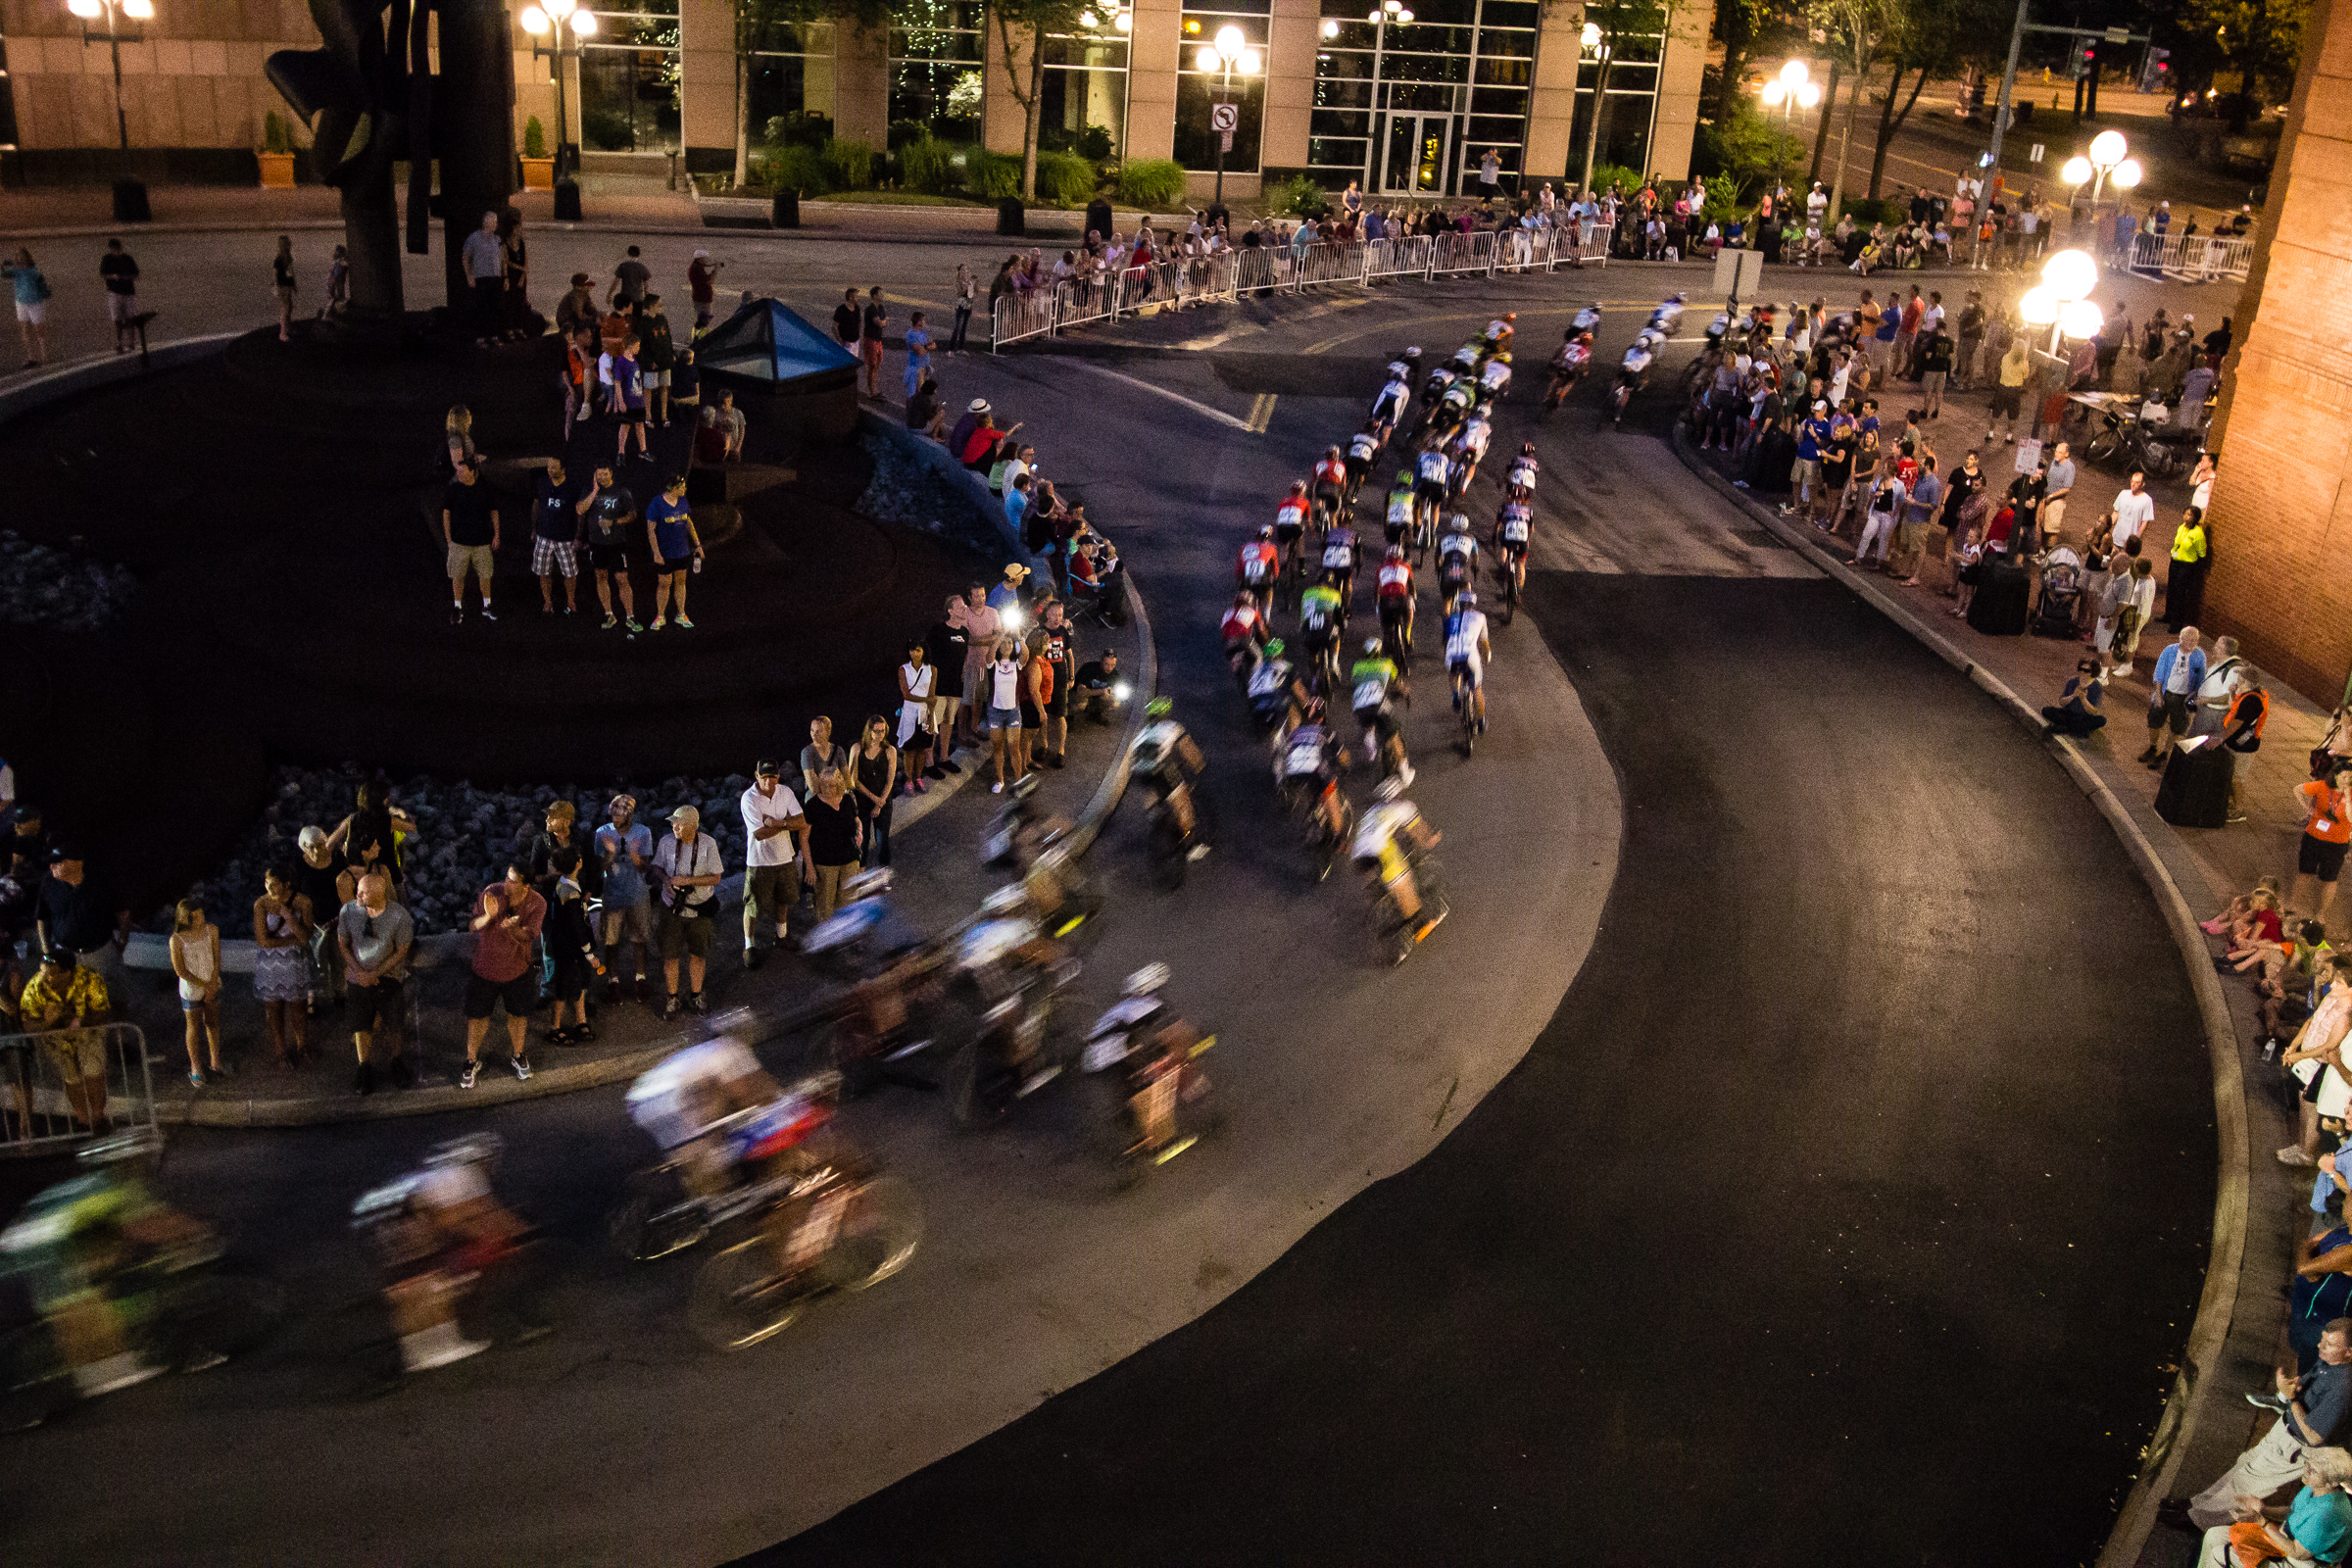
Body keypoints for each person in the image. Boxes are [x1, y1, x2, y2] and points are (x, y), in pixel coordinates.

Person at [340, 869, 415, 1095]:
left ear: (378, 895)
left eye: (362, 893)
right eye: (358, 891)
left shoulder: (399, 916)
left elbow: (401, 950)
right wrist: (358, 971)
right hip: (358, 977)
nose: (357, 896)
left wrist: (377, 972)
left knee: (394, 1022)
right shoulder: (348, 911)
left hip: (388, 978)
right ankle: (364, 1066)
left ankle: (396, 1060)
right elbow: (343, 944)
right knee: (361, 1024)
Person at [653, 805, 723, 1019]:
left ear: (693, 826)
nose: (674, 827)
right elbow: (656, 867)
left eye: (679, 823)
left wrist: (689, 881)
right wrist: (666, 881)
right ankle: (672, 998)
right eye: (673, 823)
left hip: (699, 910)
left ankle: (696, 995)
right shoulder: (666, 842)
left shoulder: (708, 844)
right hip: (671, 909)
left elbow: (716, 877)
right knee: (670, 957)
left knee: (698, 955)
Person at [1351, 776, 1445, 937]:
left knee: (1383, 880)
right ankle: (1419, 924)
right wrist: (1431, 839)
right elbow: (1420, 833)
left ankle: (1379, 897)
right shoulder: (1402, 807)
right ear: (1398, 795)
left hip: (1359, 854)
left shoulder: (1371, 811)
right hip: (1380, 850)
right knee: (1404, 881)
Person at [739, 761, 806, 970]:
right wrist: (787, 823)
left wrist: (777, 823)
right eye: (764, 777)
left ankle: (781, 936)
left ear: (779, 776)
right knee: (754, 906)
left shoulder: (785, 792)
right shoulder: (748, 798)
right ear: (756, 775)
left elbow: (801, 821)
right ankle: (749, 945)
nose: (768, 782)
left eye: (773, 777)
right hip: (760, 862)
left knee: (783, 899)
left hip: (785, 858)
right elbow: (759, 834)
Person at [252, 864, 313, 1069]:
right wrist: (292, 941)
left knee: (299, 1007)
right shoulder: (261, 904)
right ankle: (280, 1052)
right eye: (268, 883)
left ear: (287, 884)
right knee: (274, 1008)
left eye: (276, 884)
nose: (270, 888)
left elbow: (306, 936)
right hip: (271, 964)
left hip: (295, 962)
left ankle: (302, 1046)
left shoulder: (302, 902)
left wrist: (287, 915)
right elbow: (263, 941)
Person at [596, 795, 655, 1003]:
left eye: (621, 812)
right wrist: (608, 858)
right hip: (612, 895)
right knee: (611, 941)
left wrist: (637, 858)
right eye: (613, 812)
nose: (616, 816)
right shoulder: (601, 833)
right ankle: (613, 980)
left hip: (637, 895)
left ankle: (640, 978)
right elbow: (597, 868)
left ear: (629, 814)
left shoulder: (643, 832)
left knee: (640, 938)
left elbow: (646, 867)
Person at [541, 845, 598, 1050]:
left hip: (565, 947)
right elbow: (577, 926)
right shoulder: (570, 893)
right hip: (572, 949)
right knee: (564, 986)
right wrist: (589, 952)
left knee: (578, 982)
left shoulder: (565, 885)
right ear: (578, 863)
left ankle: (580, 1020)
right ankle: (554, 1026)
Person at [167, 899, 224, 1090]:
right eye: (196, 916)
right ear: (186, 918)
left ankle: (215, 1061)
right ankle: (195, 1066)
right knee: (193, 1026)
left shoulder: (212, 930)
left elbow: (217, 958)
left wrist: (212, 983)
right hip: (192, 988)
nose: (201, 918)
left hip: (211, 982)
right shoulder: (177, 939)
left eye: (201, 914)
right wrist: (204, 985)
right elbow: (180, 970)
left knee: (213, 1022)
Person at [578, 464, 643, 634]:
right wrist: (594, 492)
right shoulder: (589, 490)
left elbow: (633, 515)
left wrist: (614, 522)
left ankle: (630, 616)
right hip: (596, 543)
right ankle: (609, 614)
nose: (602, 478)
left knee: (622, 579)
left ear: (611, 473)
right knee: (601, 576)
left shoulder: (622, 491)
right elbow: (579, 510)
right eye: (599, 475)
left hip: (616, 542)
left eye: (605, 474)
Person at [442, 457, 500, 625]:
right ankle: (457, 607)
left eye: (462, 470)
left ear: (472, 472)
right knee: (457, 575)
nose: (458, 474)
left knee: (485, 575)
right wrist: (448, 538)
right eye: (457, 471)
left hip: (481, 542)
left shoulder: (484, 489)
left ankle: (487, 605)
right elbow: (446, 513)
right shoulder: (453, 489)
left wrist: (497, 534)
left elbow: (494, 511)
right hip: (459, 542)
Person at [643, 473, 703, 631]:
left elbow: (688, 522)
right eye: (681, 487)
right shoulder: (657, 503)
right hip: (665, 553)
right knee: (664, 584)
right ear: (672, 488)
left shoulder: (683, 501)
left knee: (681, 582)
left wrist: (697, 544)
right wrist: (656, 553)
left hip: (682, 551)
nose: (684, 489)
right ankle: (661, 616)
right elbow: (651, 530)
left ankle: (681, 614)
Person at [2142, 626, 2207, 770]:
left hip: (2183, 697)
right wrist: (2158, 695)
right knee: (2154, 721)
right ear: (2181, 639)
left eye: (2196, 640)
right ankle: (2153, 747)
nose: (2193, 642)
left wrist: (2195, 699)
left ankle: (2165, 752)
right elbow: (2159, 674)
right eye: (2190, 639)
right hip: (2166, 693)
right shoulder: (2169, 651)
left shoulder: (2200, 655)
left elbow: (2201, 678)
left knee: (2178, 727)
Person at [803, 768, 864, 919]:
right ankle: (827, 939)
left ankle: (847, 937)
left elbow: (856, 820)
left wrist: (859, 830)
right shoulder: (813, 806)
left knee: (849, 901)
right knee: (825, 906)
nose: (827, 789)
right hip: (825, 863)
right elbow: (803, 839)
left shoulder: (847, 800)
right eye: (823, 785)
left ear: (839, 784)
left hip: (849, 859)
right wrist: (809, 867)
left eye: (831, 785)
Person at [2296, 765, 2352, 931]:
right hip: (2313, 836)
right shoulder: (2322, 786)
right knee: (2305, 872)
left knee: (2329, 878)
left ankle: (2321, 912)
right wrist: (2307, 809)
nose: (2346, 780)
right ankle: (2295, 905)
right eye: (2343, 777)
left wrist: (2348, 797)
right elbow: (2298, 789)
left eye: (2349, 778)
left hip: (2337, 842)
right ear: (2335, 776)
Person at [531, 458, 581, 615]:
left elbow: (580, 513)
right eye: (548, 468)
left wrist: (578, 536)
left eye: (554, 468)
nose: (550, 471)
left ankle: (571, 601)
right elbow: (536, 505)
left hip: (565, 537)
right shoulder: (542, 483)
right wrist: (534, 529)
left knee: (570, 573)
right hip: (544, 535)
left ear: (563, 469)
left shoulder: (572, 487)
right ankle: (547, 602)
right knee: (543, 572)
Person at [983, 634, 1029, 795]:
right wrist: (1001, 635)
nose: (1006, 645)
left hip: (1013, 711)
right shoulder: (993, 664)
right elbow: (989, 655)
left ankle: (1018, 781)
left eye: (1009, 643)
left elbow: (1025, 654)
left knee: (1014, 747)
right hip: (995, 710)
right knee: (997, 746)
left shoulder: (1017, 664)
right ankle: (1000, 779)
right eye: (1004, 643)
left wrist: (1018, 637)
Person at [461, 210, 506, 345]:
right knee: (482, 307)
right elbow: (465, 257)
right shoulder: (474, 238)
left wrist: (504, 276)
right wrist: (469, 276)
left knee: (494, 307)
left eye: (496, 221)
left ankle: (493, 335)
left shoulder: (496, 239)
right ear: (486, 221)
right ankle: (481, 336)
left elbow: (502, 258)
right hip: (481, 277)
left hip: (495, 277)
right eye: (493, 221)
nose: (495, 224)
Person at [2169, 507, 2212, 631]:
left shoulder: (2198, 534)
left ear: (2195, 518)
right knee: (2171, 589)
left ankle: (2176, 623)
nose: (2187, 517)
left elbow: (2202, 553)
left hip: (2186, 566)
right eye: (2186, 514)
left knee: (2179, 593)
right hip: (2175, 561)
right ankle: (2168, 615)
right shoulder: (2182, 527)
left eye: (2190, 515)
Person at [2041, 659, 2106, 739]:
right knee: (2046, 710)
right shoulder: (2073, 682)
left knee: (2101, 720)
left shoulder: (2096, 687)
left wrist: (2083, 699)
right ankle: (2076, 730)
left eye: (2086, 670)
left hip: (2083, 717)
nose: (2082, 672)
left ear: (2092, 672)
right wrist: (2072, 696)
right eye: (2080, 669)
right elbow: (2061, 702)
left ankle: (2066, 728)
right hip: (2068, 714)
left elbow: (2093, 711)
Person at [98, 239, 139, 354]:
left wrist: (126, 277)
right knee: (117, 319)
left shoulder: (127, 259)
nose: (115, 251)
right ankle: (119, 342)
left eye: (116, 249)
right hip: (114, 292)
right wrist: (112, 276)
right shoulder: (107, 259)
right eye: (113, 249)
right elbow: (102, 274)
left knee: (130, 317)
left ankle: (131, 342)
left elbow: (136, 274)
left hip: (128, 292)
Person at [859, 285, 888, 399]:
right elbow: (880, 323)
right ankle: (872, 392)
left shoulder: (880, 308)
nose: (882, 295)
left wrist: (882, 322)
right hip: (871, 339)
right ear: (875, 295)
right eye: (880, 293)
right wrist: (883, 322)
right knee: (872, 365)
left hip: (877, 339)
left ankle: (874, 390)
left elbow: (884, 322)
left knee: (876, 366)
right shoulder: (870, 309)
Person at [687, 248, 721, 330]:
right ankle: (701, 337)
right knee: (704, 321)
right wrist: (715, 270)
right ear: (700, 259)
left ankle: (700, 334)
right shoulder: (697, 269)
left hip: (701, 297)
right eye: (705, 258)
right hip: (702, 299)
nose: (706, 260)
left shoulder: (696, 267)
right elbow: (708, 281)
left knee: (703, 320)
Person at [269, 236, 295, 343]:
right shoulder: (279, 259)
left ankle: (287, 329)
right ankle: (283, 333)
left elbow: (290, 272)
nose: (290, 245)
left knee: (289, 307)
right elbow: (275, 274)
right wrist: (276, 286)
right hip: (282, 287)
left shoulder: (287, 257)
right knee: (285, 309)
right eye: (288, 244)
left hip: (287, 286)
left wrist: (293, 284)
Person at [610, 244, 651, 311]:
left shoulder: (623, 266)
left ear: (628, 254)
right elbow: (646, 287)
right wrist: (647, 300)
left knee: (624, 319)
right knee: (637, 319)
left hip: (625, 299)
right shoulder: (642, 268)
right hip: (638, 298)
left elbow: (615, 283)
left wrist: (609, 294)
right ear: (638, 255)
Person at [948, 263, 975, 353]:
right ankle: (951, 349)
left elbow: (971, 295)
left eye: (966, 270)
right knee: (958, 328)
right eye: (962, 270)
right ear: (959, 271)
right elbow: (960, 293)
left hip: (968, 306)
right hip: (960, 306)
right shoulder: (958, 281)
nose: (964, 272)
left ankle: (961, 348)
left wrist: (971, 288)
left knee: (964, 328)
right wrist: (967, 286)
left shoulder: (968, 281)